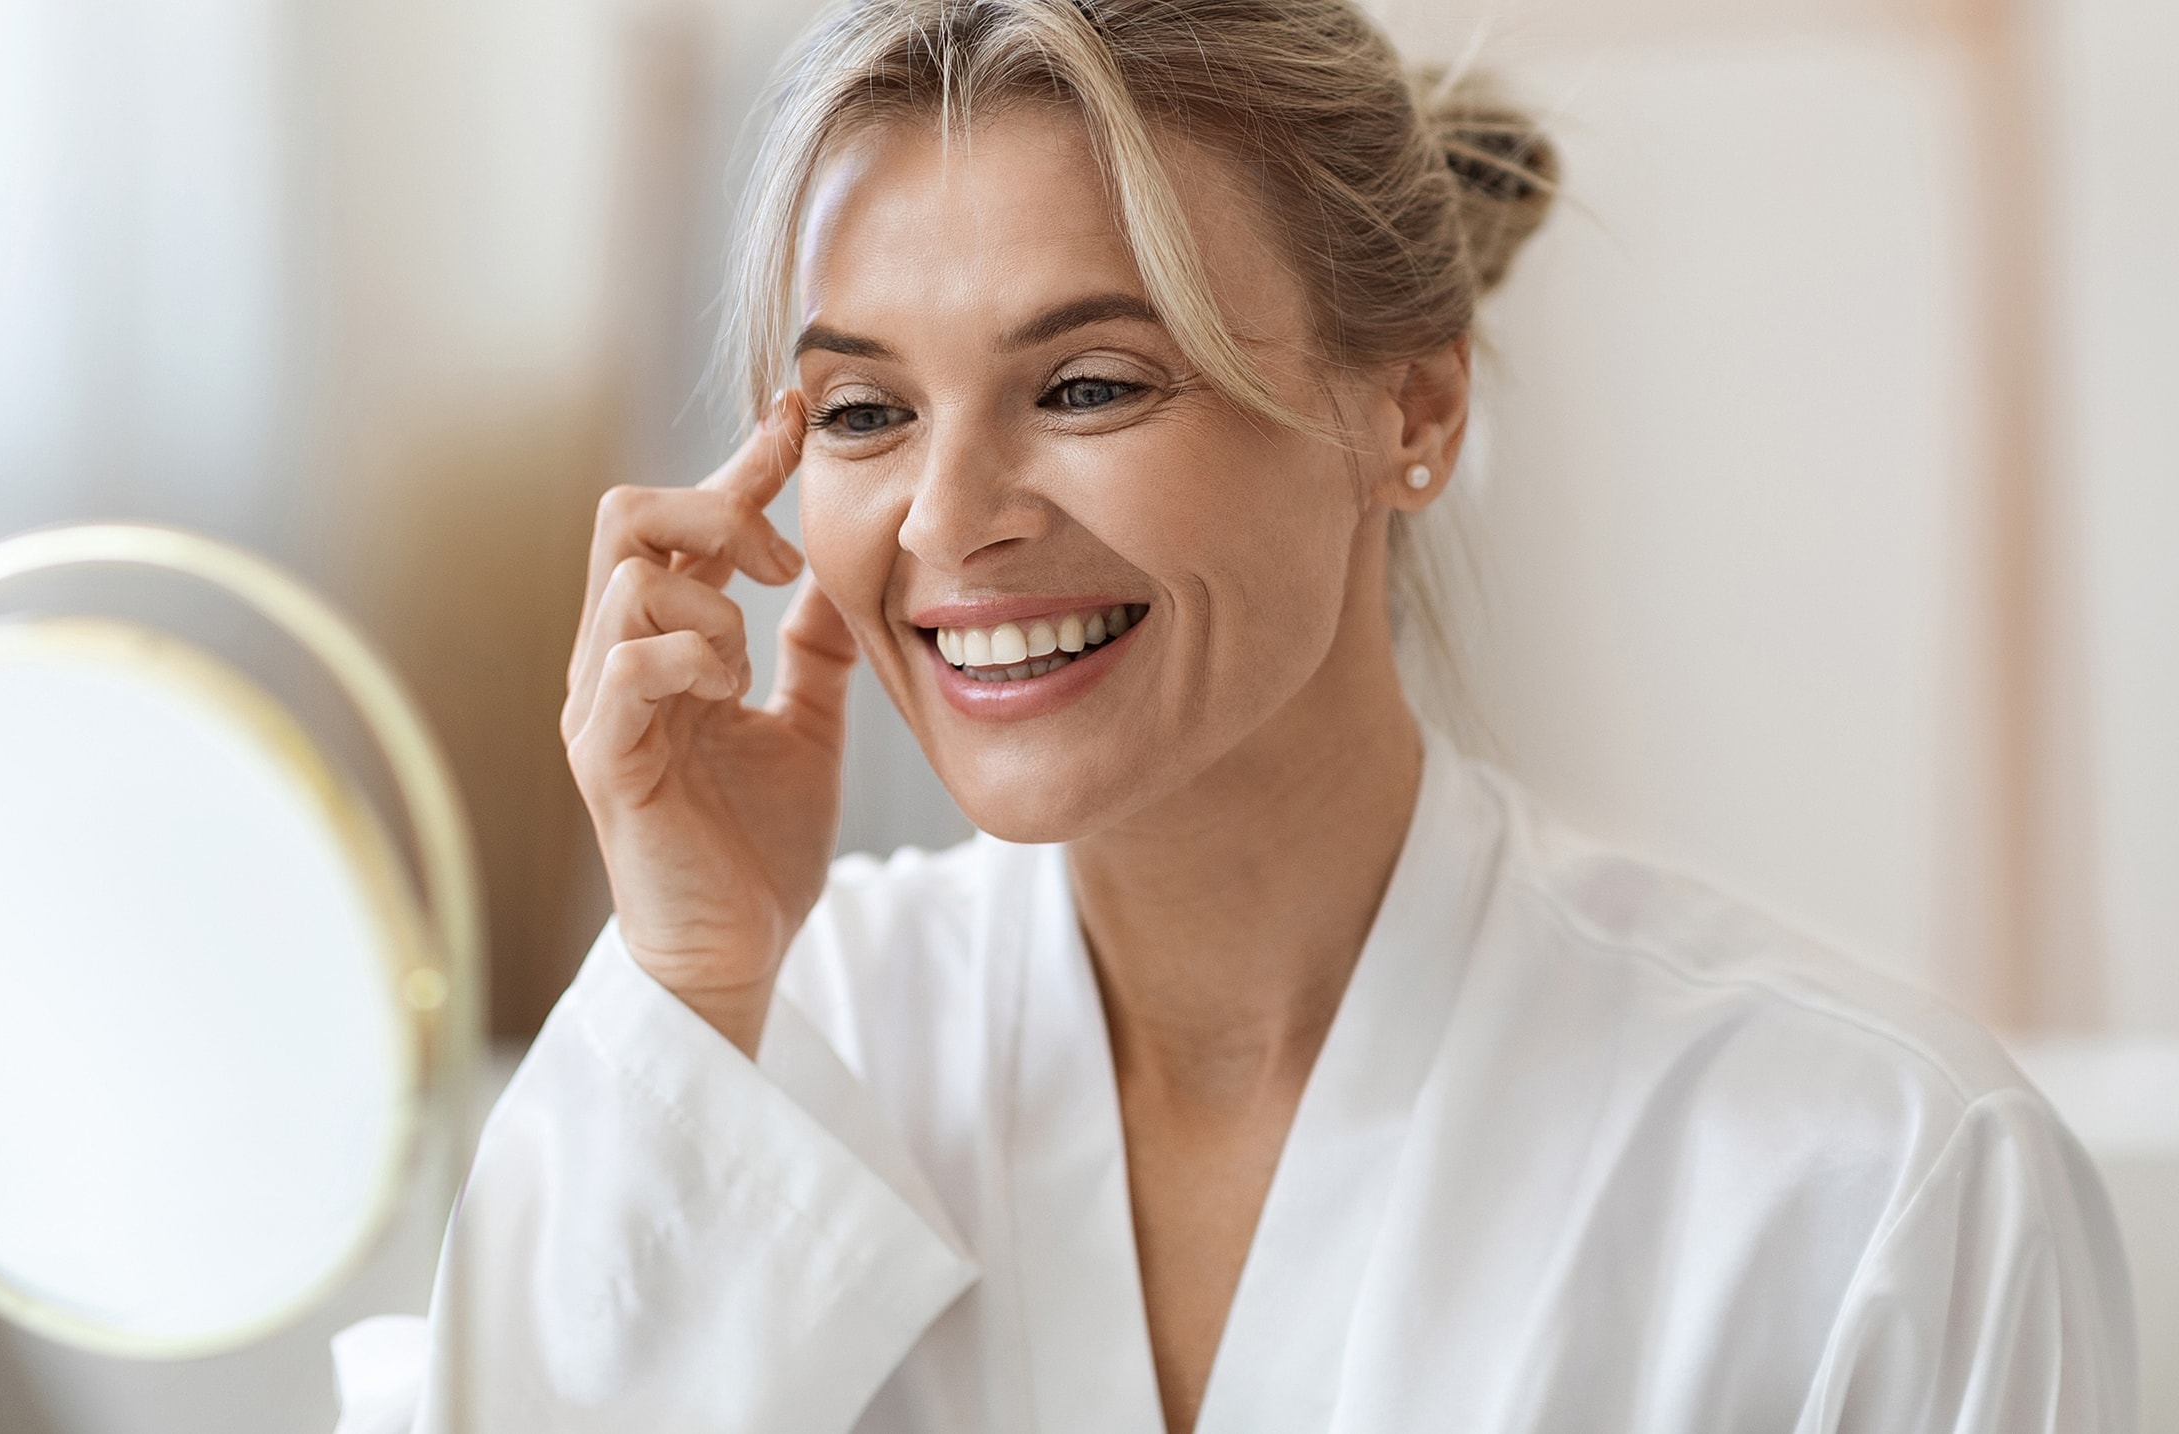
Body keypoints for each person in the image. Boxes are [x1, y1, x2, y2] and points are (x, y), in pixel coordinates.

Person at [332, 1, 2136, 1429]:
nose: (952, 520)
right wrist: (694, 968)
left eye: (1091, 381)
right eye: (866, 414)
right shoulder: (764, 1059)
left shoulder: (1877, 1183)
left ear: (1410, 409)